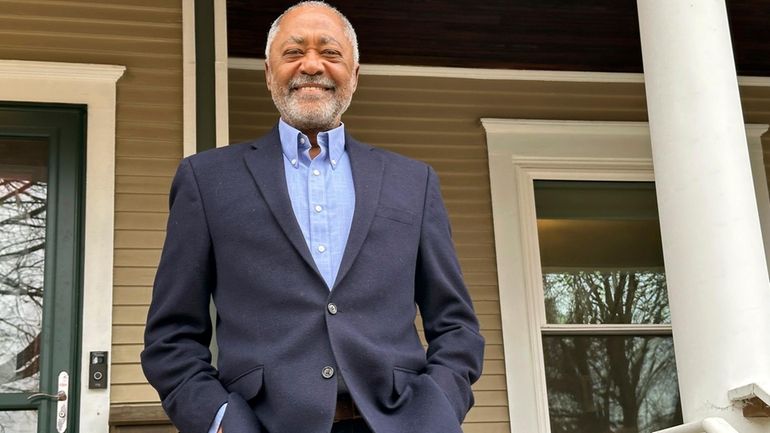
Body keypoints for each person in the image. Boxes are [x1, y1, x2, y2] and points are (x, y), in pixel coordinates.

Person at [141, 2, 484, 433]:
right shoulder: (206, 180)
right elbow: (170, 337)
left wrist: (439, 409)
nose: (311, 65)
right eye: (293, 52)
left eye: (331, 52)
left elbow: (456, 326)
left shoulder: (414, 182)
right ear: (269, 73)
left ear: (354, 75)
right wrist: (220, 420)